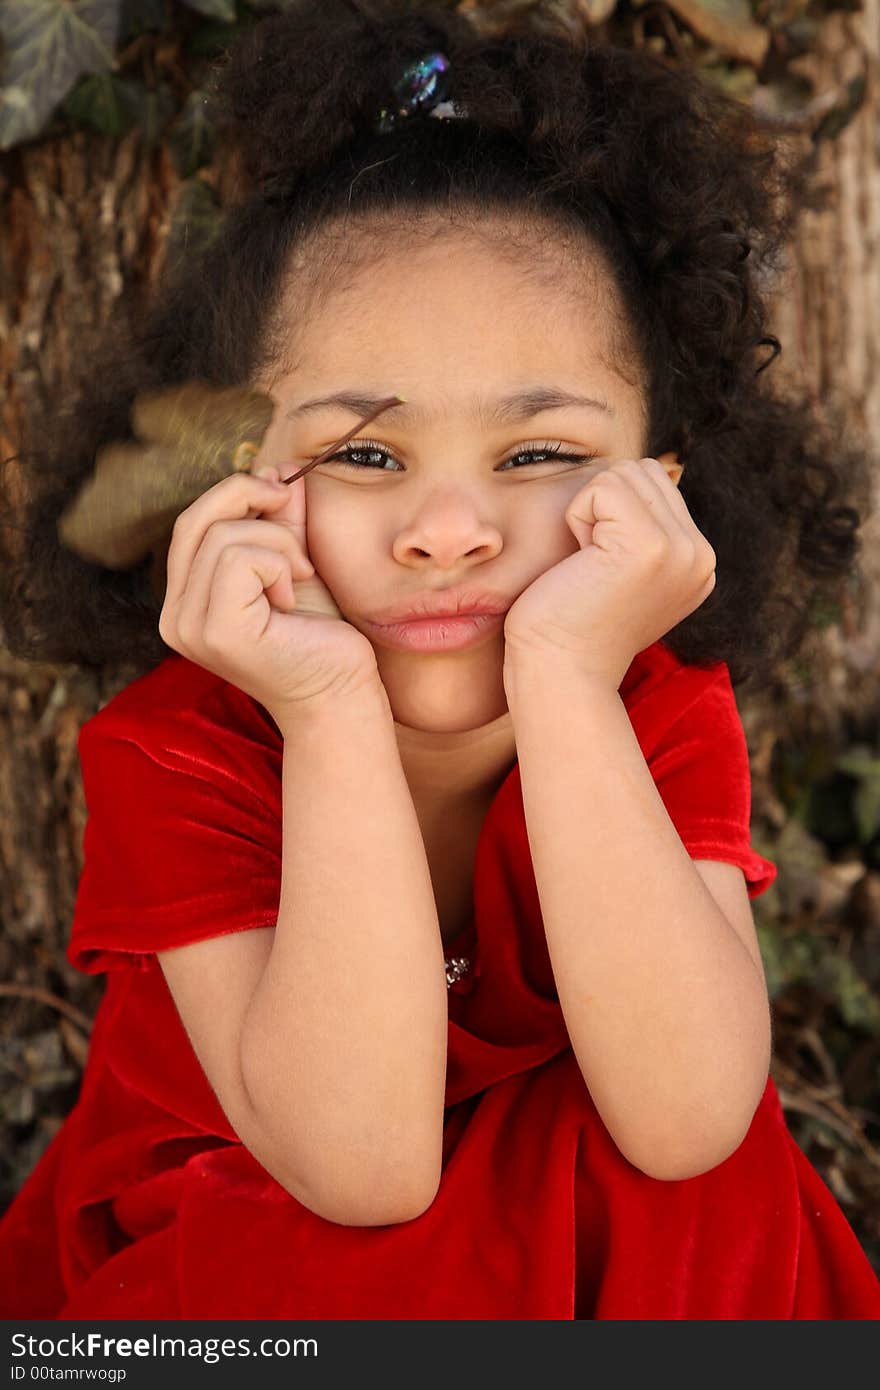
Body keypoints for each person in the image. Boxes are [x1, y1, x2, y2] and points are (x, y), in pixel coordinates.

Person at [1, 0, 878, 1320]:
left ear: (659, 484)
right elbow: (361, 1170)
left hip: (587, 1211)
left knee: (705, 1194)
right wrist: (330, 708)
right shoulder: (174, 749)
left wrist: (572, 682)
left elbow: (695, 1117)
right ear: (241, 478)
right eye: (364, 454)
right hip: (277, 1217)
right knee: (299, 1270)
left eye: (538, 456)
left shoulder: (652, 707)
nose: (450, 533)